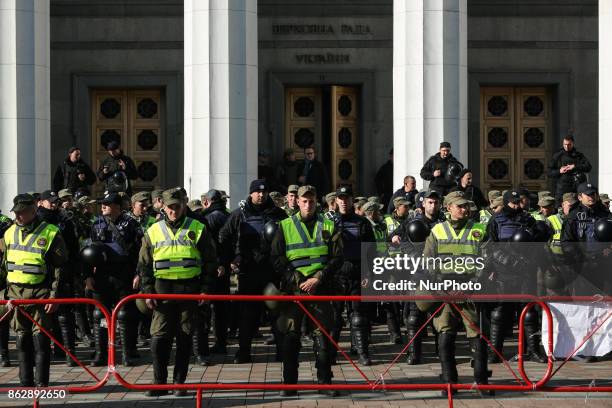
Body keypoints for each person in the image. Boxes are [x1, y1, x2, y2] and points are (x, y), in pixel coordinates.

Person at [138, 188, 218, 396]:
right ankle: (159, 383)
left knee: (184, 336)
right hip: (162, 290)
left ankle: (179, 383)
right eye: (170, 208)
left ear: (183, 206)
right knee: (159, 337)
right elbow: (144, 265)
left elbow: (210, 261)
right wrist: (147, 291)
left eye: (178, 207)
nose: (174, 211)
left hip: (189, 289)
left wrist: (205, 290)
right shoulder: (153, 231)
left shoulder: (198, 227)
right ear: (163, 207)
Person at [270, 185, 342, 397]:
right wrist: (296, 278)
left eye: (311, 201)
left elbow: (337, 257)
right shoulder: (284, 226)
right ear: (297, 202)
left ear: (316, 201)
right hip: (294, 291)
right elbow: (276, 258)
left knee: (322, 337)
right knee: (290, 338)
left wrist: (318, 278)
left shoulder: (329, 225)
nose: (308, 204)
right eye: (304, 201)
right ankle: (289, 384)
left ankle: (325, 382)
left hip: (320, 289)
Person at [419, 192, 491, 396]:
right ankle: (449, 383)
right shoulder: (437, 231)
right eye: (459, 206)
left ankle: (482, 382)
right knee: (445, 335)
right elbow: (428, 262)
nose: (464, 209)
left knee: (477, 335)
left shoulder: (479, 230)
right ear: (448, 207)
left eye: (466, 206)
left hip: (470, 292)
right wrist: (445, 287)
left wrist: (470, 285)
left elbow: (486, 262)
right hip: (445, 292)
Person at [0, 194, 68, 387]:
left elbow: (60, 269)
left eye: (22, 212)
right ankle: (25, 383)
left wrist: (54, 296)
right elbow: (4, 266)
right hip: (15, 294)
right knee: (21, 339)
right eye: (16, 212)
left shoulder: (50, 232)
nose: (18, 216)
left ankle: (42, 384)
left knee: (41, 338)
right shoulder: (9, 233)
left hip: (40, 294)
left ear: (34, 210)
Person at [219, 179, 287, 363]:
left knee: (277, 313)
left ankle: (281, 351)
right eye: (257, 192)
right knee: (247, 315)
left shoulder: (278, 214)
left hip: (272, 271)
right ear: (251, 193)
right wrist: (231, 258)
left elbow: (290, 239)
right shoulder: (240, 214)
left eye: (264, 192)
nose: (261, 195)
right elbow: (224, 236)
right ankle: (244, 352)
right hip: (248, 271)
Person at [84, 193, 143, 367]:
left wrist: (138, 273)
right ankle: (102, 354)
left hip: (124, 274)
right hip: (102, 275)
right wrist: (87, 275)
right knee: (100, 314)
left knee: (125, 314)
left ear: (118, 206)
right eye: (102, 203)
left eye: (107, 204)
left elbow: (140, 251)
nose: (103, 206)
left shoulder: (131, 224)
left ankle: (128, 353)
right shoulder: (96, 224)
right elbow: (88, 252)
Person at [486, 190, 545, 363]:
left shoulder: (527, 219)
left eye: (518, 202)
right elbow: (489, 246)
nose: (517, 205)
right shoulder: (496, 220)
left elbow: (537, 243)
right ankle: (495, 352)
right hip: (503, 271)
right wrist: (506, 261)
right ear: (505, 202)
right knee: (500, 311)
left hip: (525, 271)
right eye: (513, 202)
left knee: (529, 311)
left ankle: (533, 350)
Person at [391, 190, 445, 364]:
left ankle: (442, 352)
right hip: (419, 273)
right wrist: (415, 257)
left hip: (440, 274)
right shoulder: (413, 221)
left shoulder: (444, 223)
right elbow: (400, 239)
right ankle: (414, 353)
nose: (433, 205)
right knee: (415, 316)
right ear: (424, 204)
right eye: (430, 202)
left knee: (440, 315)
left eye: (436, 202)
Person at [36, 190, 81, 367]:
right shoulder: (37, 222)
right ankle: (46, 351)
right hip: (43, 275)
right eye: (50, 201)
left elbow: (74, 247)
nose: (54, 204)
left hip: (63, 272)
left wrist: (76, 271)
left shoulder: (65, 220)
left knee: (65, 314)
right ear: (41, 202)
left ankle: (68, 352)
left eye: (56, 201)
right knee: (45, 316)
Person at [334, 186, 376, 365]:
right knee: (334, 317)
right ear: (336, 201)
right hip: (336, 275)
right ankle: (329, 352)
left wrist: (369, 274)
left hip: (358, 275)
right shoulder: (329, 222)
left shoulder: (362, 223)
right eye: (340, 198)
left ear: (352, 201)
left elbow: (371, 251)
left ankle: (361, 351)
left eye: (347, 198)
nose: (344, 201)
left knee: (358, 316)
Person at [200, 189, 231, 355]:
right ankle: (221, 342)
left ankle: (208, 344)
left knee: (207, 307)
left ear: (206, 201)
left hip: (212, 267)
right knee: (221, 307)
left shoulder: (210, 218)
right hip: (223, 267)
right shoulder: (227, 215)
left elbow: (213, 245)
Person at [549, 136, 592, 204]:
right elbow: (549, 173)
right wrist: (559, 171)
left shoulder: (579, 156)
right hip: (562, 190)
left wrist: (575, 166)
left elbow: (588, 167)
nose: (567, 146)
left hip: (577, 188)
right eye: (565, 144)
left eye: (569, 144)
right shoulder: (557, 156)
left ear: (573, 144)